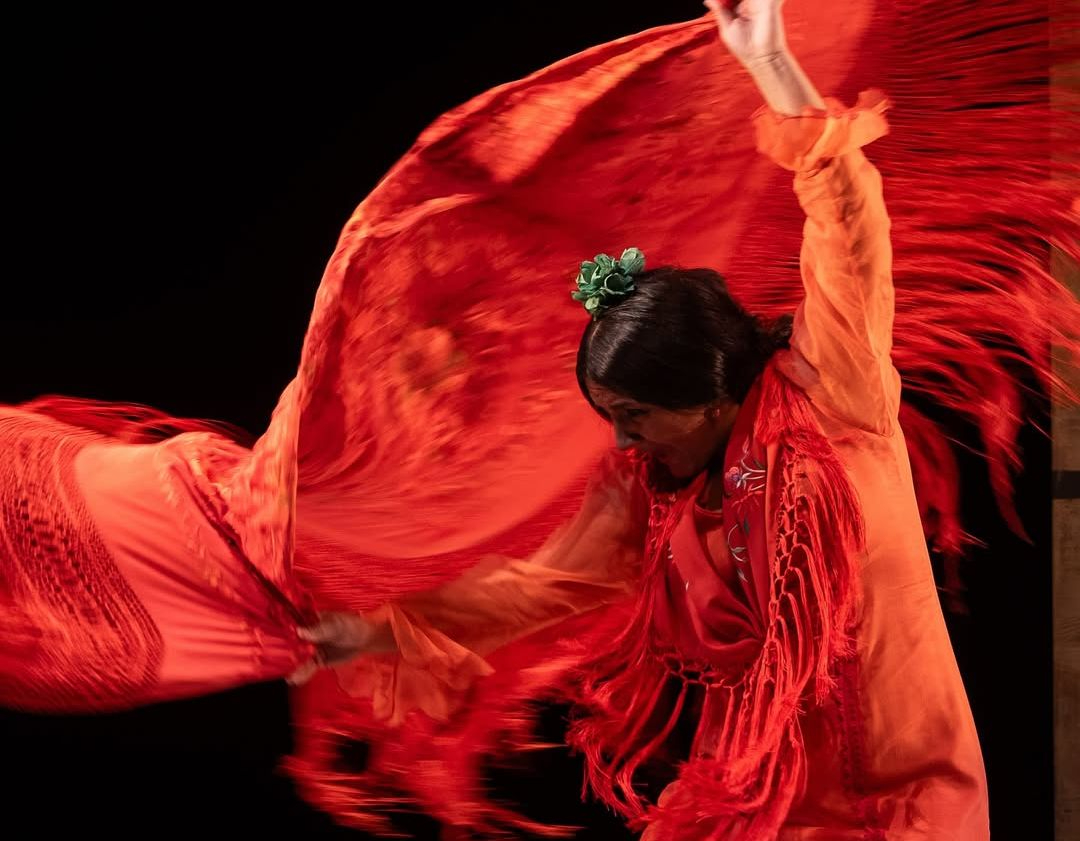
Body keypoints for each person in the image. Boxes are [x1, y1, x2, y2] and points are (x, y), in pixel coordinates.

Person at [2, 0, 1077, 837]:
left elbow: (847, 220)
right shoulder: (645, 499)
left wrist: (773, 66)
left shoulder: (831, 396)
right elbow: (532, 589)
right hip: (754, 805)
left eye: (637, 416)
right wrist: (371, 633)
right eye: (611, 416)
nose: (623, 439)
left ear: (710, 391)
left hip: (904, 797)